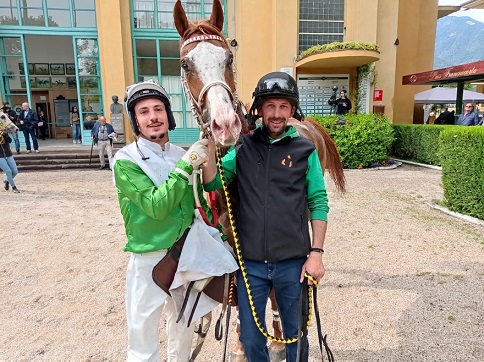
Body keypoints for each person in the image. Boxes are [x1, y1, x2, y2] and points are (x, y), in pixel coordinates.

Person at [202, 72, 329, 362]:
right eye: (270, 106)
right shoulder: (242, 149)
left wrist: (317, 253)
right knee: (250, 338)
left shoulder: (305, 150)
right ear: (258, 109)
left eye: (283, 106)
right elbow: (214, 183)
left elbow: (319, 201)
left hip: (293, 264)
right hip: (251, 267)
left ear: (292, 110)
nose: (276, 114)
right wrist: (209, 144)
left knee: (296, 335)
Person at [112, 79, 213, 361]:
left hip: (186, 255)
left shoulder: (181, 154)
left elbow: (199, 206)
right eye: (143, 111)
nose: (153, 117)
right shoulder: (126, 160)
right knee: (143, 335)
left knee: (184, 329)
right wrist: (185, 167)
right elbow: (156, 207)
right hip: (149, 259)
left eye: (158, 109)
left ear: (168, 115)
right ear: (136, 120)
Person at [0, 129, 20, 193]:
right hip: (0, 157)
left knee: (15, 171)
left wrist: (5, 135)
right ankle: (14, 187)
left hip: (8, 154)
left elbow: (10, 140)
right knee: (8, 171)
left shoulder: (3, 132)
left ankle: (7, 181)